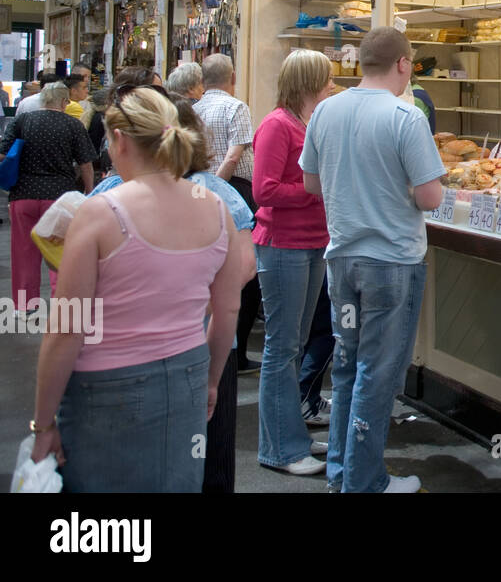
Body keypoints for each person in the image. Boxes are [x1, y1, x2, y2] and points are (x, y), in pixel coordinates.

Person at [28, 88, 244, 492]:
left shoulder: (100, 211)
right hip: (187, 374)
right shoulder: (214, 207)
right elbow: (227, 309)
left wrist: (43, 422)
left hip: (105, 387)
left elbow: (65, 330)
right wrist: (211, 380)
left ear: (120, 140)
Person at [89, 88, 258, 493]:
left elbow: (71, 284)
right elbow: (245, 271)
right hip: (206, 346)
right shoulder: (219, 194)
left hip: (123, 354)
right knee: (210, 460)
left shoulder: (105, 196)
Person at [300, 27, 444, 492]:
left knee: (347, 366)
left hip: (341, 260)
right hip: (392, 264)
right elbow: (430, 197)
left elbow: (312, 185)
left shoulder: (325, 110)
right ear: (403, 64)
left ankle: (342, 473)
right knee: (378, 376)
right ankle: (366, 482)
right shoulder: (407, 116)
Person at [253, 50, 336, 477]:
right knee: (282, 348)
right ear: (307, 82)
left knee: (294, 345)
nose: (331, 86)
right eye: (325, 79)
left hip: (311, 244)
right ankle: (280, 448)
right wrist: (314, 190)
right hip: (282, 245)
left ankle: (291, 436)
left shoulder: (309, 123)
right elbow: (263, 191)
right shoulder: (276, 125)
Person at [0, 83, 96, 309]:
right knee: (60, 252)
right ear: (65, 103)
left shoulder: (21, 121)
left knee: (23, 251)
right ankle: (60, 302)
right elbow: (86, 163)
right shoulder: (73, 124)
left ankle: (25, 305)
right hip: (59, 198)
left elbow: (3, 154)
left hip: (23, 195)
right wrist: (89, 191)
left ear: (42, 100)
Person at [194, 52, 261, 372]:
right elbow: (235, 154)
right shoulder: (236, 107)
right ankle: (236, 351)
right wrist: (217, 187)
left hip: (198, 188)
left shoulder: (193, 110)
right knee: (243, 275)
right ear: (232, 77)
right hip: (233, 189)